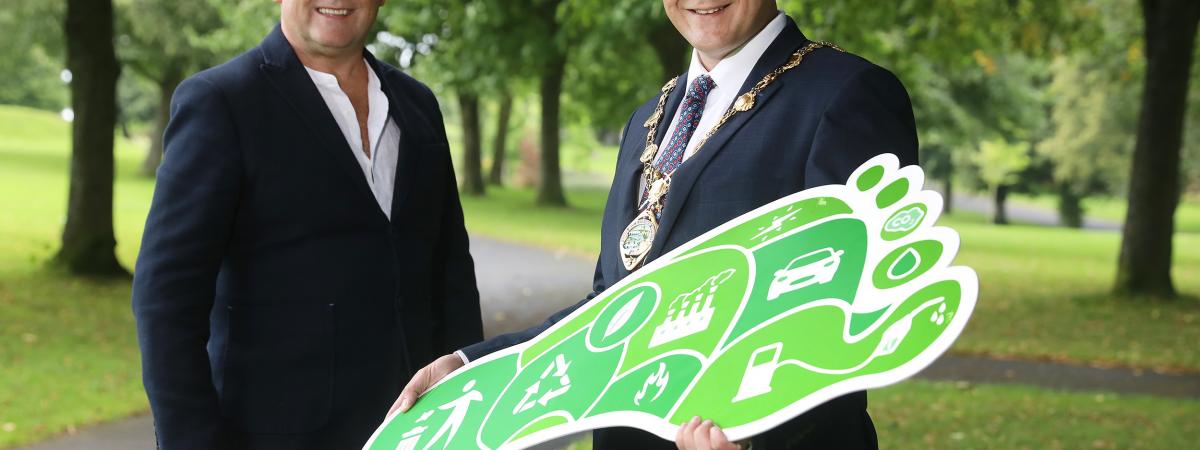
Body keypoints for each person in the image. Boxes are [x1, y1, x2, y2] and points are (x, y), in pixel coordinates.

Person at [393, 0, 917, 448]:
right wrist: (473, 366)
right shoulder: (650, 115)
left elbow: (852, 312)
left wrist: (753, 438)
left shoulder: (847, 93)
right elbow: (609, 309)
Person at [131, 1, 483, 448]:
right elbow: (166, 297)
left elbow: (451, 272)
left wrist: (472, 406)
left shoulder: (419, 106)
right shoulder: (222, 102)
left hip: (418, 430)